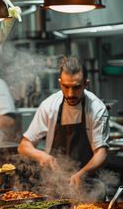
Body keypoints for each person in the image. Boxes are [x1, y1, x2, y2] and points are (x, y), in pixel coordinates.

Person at [18, 56, 110, 190]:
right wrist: (41, 155)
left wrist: (82, 174)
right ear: (60, 82)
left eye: (76, 87)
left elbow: (101, 153)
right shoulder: (49, 105)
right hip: (53, 184)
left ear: (86, 83)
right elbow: (24, 146)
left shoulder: (97, 108)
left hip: (87, 183)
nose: (70, 93)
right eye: (65, 87)